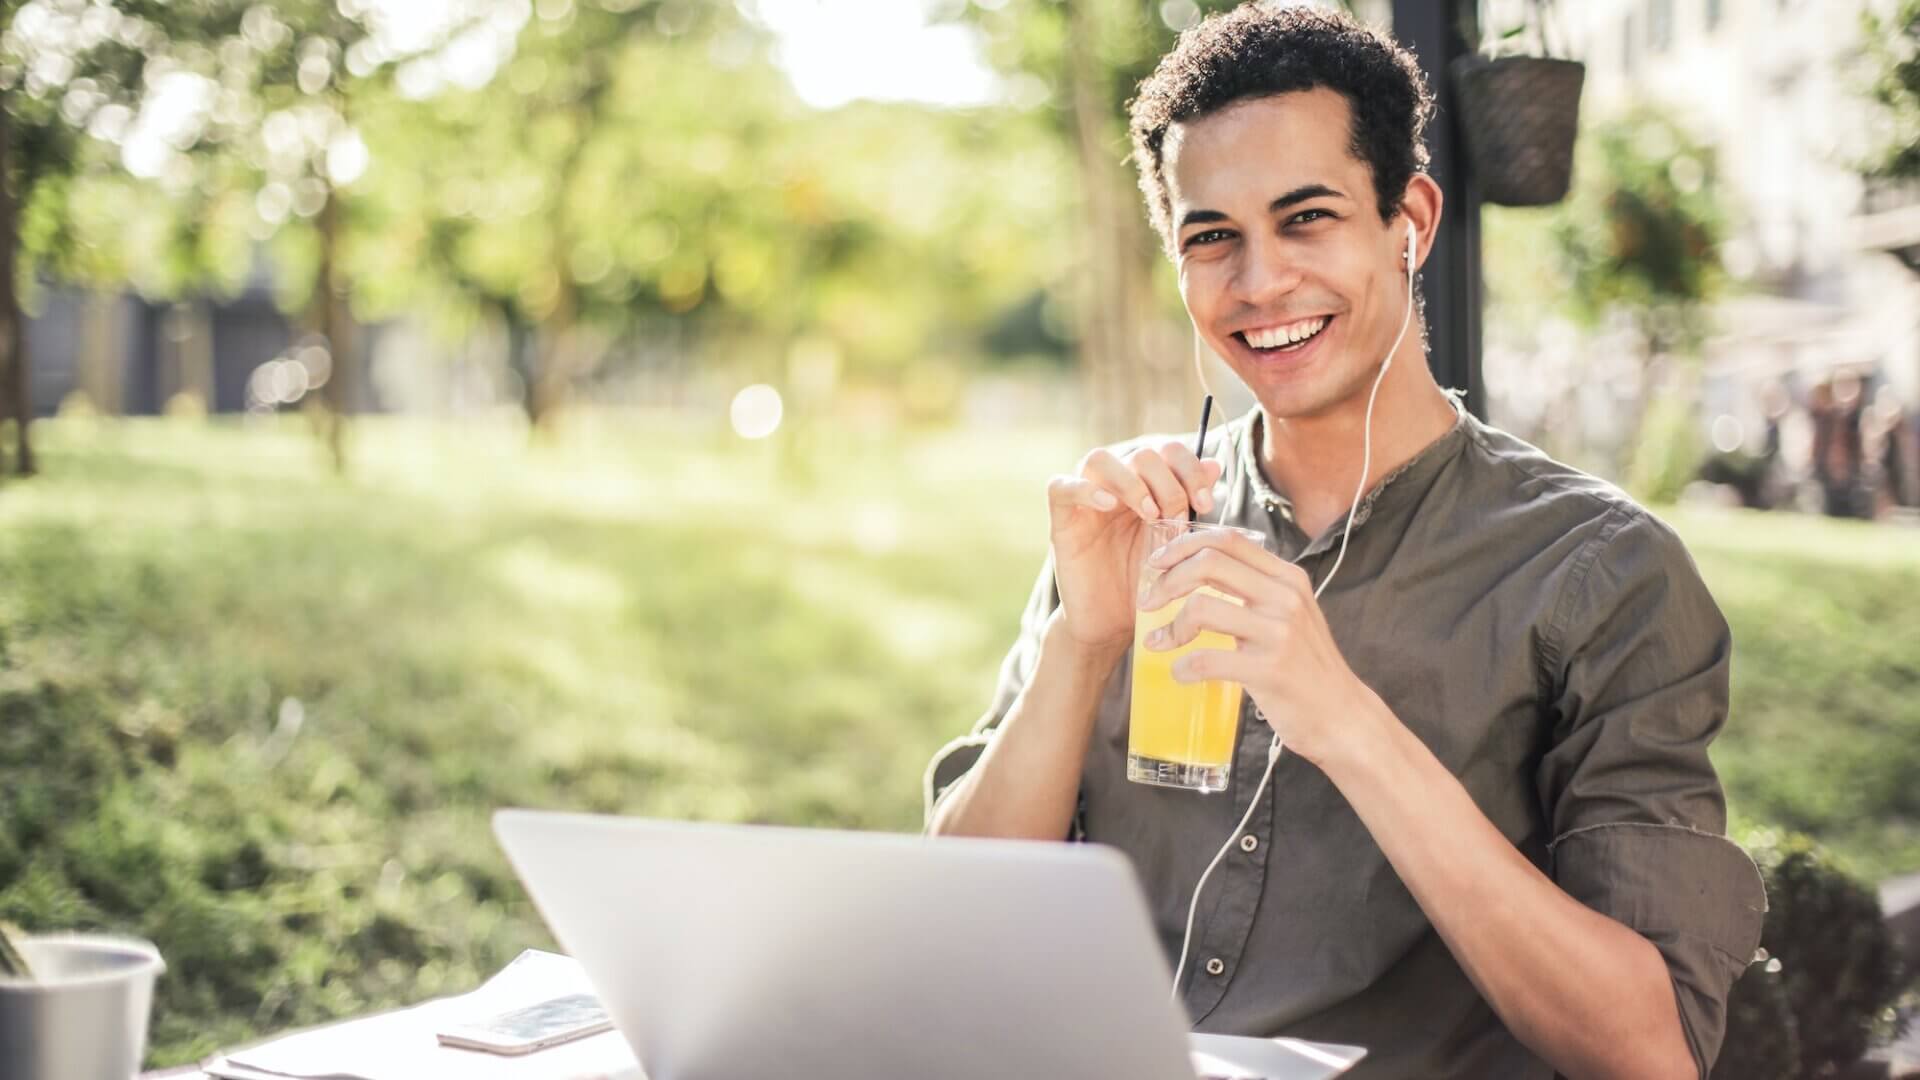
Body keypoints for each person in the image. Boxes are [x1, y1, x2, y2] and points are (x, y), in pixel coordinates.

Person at [924, 6, 1765, 1079]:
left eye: (1306, 217)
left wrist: (1345, 721)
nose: (1260, 282)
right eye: (1212, 235)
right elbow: (950, 934)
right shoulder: (1132, 528)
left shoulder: (1601, 574)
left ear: (1407, 219)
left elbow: (1651, 1051)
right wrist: (1081, 648)